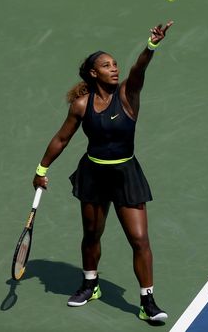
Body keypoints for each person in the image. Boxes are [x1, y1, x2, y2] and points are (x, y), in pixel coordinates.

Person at [33, 20, 173, 322]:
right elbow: (61, 138)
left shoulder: (128, 95)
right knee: (92, 234)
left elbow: (139, 70)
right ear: (94, 73)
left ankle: (147, 301)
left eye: (115, 64)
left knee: (139, 239)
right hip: (94, 175)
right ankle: (90, 284)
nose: (115, 69)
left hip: (125, 175)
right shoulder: (81, 105)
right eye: (107, 65)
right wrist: (41, 169)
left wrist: (152, 45)